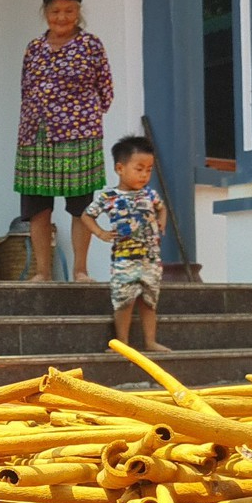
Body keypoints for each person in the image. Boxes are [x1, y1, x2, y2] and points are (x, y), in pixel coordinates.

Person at [14, 0, 114, 282]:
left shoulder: (90, 45)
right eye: (56, 10)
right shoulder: (34, 48)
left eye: (69, 11)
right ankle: (43, 272)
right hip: (36, 136)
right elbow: (25, 89)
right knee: (38, 209)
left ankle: (81, 270)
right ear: (45, 11)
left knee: (80, 206)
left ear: (78, 11)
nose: (62, 17)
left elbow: (105, 90)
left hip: (78, 136)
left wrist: (81, 117)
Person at [83, 135, 170, 351]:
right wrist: (101, 233)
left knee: (149, 302)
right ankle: (122, 343)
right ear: (120, 168)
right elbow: (87, 215)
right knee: (124, 301)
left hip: (150, 259)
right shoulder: (108, 196)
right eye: (139, 169)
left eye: (149, 170)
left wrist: (161, 223)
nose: (144, 175)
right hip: (124, 259)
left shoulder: (150, 194)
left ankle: (150, 341)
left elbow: (162, 208)